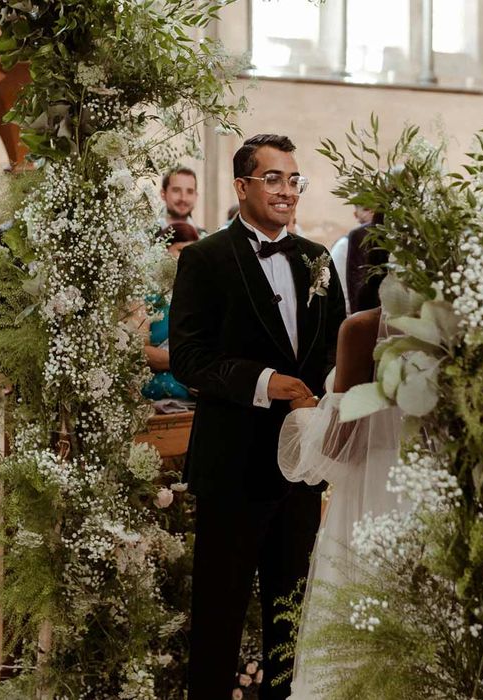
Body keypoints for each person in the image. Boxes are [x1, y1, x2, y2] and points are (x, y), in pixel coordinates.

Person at [169, 133, 346, 700]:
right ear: (242, 186)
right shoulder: (206, 258)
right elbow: (190, 358)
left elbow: (334, 350)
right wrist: (270, 385)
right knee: (218, 614)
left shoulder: (318, 260)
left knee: (290, 611)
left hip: (300, 467)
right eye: (273, 178)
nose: (286, 190)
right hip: (234, 464)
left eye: (294, 180)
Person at [277, 306, 405, 698]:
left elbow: (338, 448)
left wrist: (303, 418)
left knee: (361, 642)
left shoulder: (362, 328)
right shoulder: (476, 319)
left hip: (376, 499)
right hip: (448, 496)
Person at [142, 222, 199, 402]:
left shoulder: (202, 293)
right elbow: (141, 351)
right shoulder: (147, 295)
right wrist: (190, 365)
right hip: (163, 382)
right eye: (181, 251)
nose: (188, 258)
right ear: (163, 251)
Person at [330, 206, 384, 314]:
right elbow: (343, 296)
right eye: (366, 209)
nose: (373, 213)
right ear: (356, 215)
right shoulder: (345, 245)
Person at [160, 167, 206, 236]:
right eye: (176, 190)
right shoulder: (145, 238)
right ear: (163, 194)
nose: (183, 198)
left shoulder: (204, 238)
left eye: (189, 192)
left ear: (196, 196)